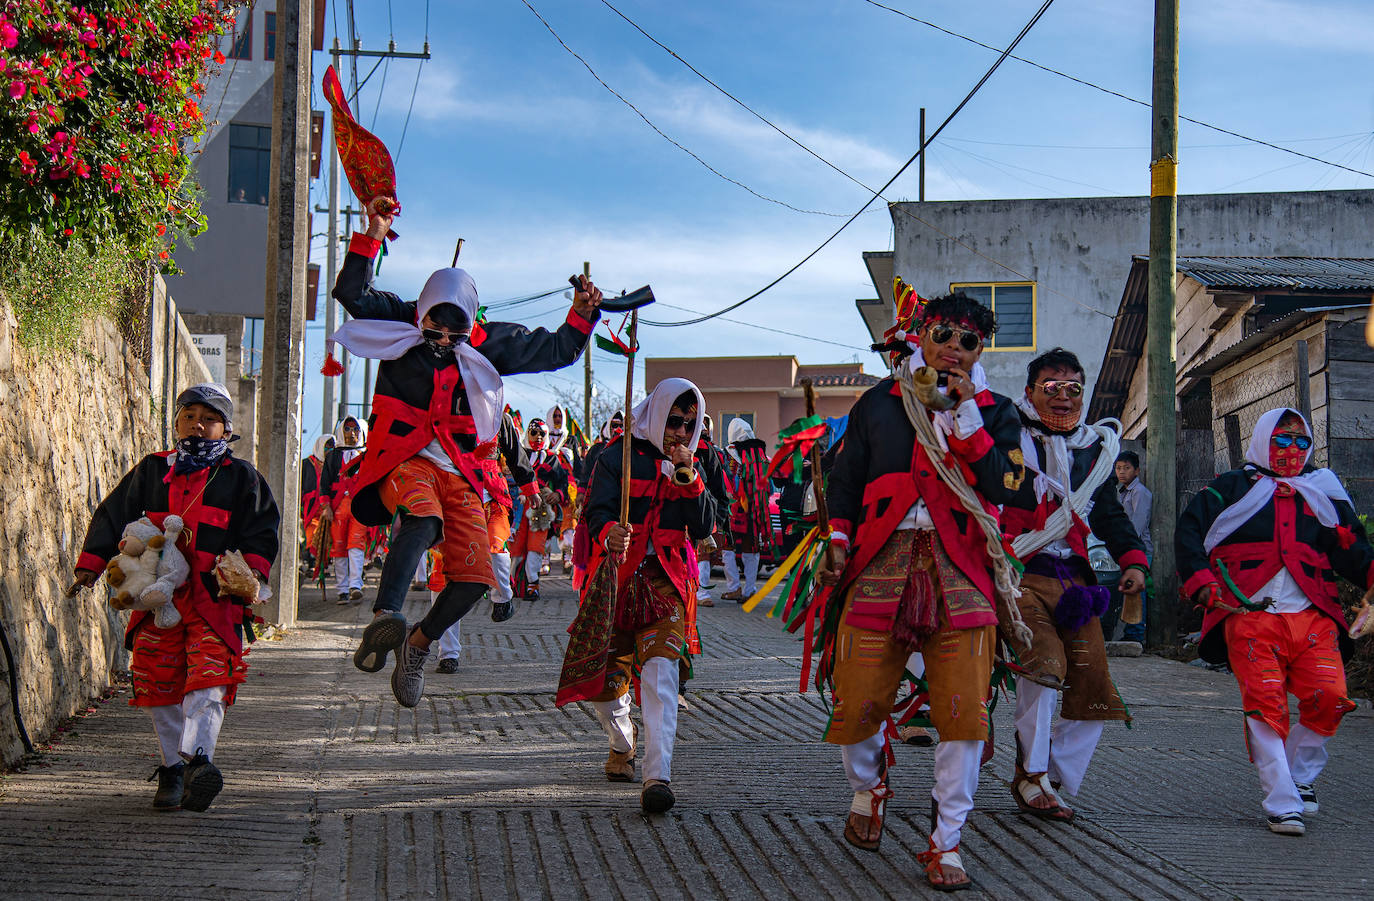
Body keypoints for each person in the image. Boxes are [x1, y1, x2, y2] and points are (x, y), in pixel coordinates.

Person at [326, 195, 601, 708]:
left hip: (464, 471)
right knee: (422, 519)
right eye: (435, 327)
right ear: (422, 312)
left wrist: (582, 316)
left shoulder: (487, 341)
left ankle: (417, 645)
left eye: (456, 330)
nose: (444, 337)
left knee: (476, 578)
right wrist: (374, 232)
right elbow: (351, 291)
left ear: (471, 321)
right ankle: (386, 616)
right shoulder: (401, 320)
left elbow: (555, 349)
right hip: (403, 461)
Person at [816, 292, 1026, 891]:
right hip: (879, 559)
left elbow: (1005, 484)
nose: (954, 349)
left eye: (969, 342)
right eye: (943, 335)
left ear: (980, 350)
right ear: (922, 334)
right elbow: (846, 475)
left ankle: (947, 841)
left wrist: (966, 414)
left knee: (964, 713)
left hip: (961, 568)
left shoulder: (996, 410)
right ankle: (868, 786)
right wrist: (837, 538)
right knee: (855, 703)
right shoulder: (878, 403)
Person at [68, 383, 279, 812]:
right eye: (189, 416)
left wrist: (251, 574)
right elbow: (113, 514)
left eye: (209, 418)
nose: (197, 425)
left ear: (226, 429)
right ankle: (171, 771)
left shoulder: (242, 478)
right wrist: (90, 566)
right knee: (158, 685)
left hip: (213, 602)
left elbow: (261, 530)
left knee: (208, 682)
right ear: (177, 422)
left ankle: (198, 764)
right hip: (156, 602)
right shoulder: (151, 470)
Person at [1176, 407, 1371, 837]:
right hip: (1249, 614)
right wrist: (1202, 581)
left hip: (1313, 616)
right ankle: (1282, 801)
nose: (1292, 450)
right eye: (1283, 440)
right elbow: (1189, 531)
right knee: (1265, 707)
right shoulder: (1229, 487)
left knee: (1330, 694)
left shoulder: (1323, 491)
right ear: (1264, 439)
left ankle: (1299, 775)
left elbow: (1354, 552)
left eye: (1302, 442)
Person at [999, 348, 1147, 824]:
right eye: (1051, 388)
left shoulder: (1095, 454)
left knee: (1093, 684)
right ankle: (1033, 776)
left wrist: (1134, 562)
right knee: (1043, 667)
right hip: (1020, 574)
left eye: (1073, 389)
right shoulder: (1005, 439)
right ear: (1029, 392)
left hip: (1076, 582)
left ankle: (1050, 775)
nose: (1063, 398)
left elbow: (1109, 516)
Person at [556, 379, 715, 814]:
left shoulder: (700, 461)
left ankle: (657, 775)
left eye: (690, 423)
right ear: (659, 414)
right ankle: (621, 740)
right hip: (617, 580)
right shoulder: (618, 455)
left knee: (662, 676)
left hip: (667, 581)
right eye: (675, 422)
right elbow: (595, 512)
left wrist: (691, 480)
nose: (682, 433)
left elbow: (703, 526)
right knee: (607, 689)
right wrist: (610, 533)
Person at [436, 413, 535, 674]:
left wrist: (530, 488)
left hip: (493, 498)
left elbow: (514, 453)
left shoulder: (496, 415)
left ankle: (503, 598)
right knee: (441, 578)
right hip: (451, 499)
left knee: (495, 546)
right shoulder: (441, 407)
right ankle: (448, 653)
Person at [511, 417, 571, 601]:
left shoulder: (552, 458)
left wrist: (558, 494)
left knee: (535, 547)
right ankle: (512, 585)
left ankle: (532, 585)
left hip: (541, 508)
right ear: (527, 434)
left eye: (542, 434)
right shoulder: (517, 455)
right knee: (515, 547)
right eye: (534, 433)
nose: (538, 437)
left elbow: (563, 481)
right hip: (519, 507)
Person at [720, 417, 774, 602]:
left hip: (732, 512)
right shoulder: (762, 457)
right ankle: (749, 590)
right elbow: (770, 487)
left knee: (727, 550)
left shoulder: (726, 454)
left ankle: (734, 587)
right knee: (752, 552)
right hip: (754, 512)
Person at [1101, 450, 1152, 644]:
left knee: (1138, 590)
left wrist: (1127, 546)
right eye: (1118, 468)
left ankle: (1136, 634)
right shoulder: (1120, 492)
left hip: (1138, 550)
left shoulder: (1141, 493)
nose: (1122, 472)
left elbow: (1137, 525)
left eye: (1127, 468)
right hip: (1126, 549)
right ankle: (1129, 632)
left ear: (1137, 471)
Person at [317, 416, 368, 603]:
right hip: (338, 508)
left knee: (356, 545)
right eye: (347, 429)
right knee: (339, 549)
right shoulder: (334, 456)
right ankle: (342, 590)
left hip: (360, 507)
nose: (352, 433)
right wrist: (326, 507)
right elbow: (324, 483)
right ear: (341, 432)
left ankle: (356, 585)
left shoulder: (366, 456)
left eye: (355, 429)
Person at [693, 413, 730, 607]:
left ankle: (702, 592)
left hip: (707, 509)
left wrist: (718, 515)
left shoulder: (713, 451)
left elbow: (720, 485)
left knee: (704, 552)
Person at [546, 403, 581, 573]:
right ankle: (544, 556)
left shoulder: (570, 439)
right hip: (548, 482)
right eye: (555, 416)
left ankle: (568, 553)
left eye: (560, 416)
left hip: (568, 483)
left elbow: (577, 465)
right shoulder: (542, 436)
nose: (558, 419)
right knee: (546, 516)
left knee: (569, 515)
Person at [299, 434, 334, 570]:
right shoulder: (307, 464)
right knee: (312, 532)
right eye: (327, 447)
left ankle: (323, 563)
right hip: (311, 506)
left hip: (329, 506)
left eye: (332, 447)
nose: (329, 450)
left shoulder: (334, 465)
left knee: (328, 534)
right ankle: (312, 561)